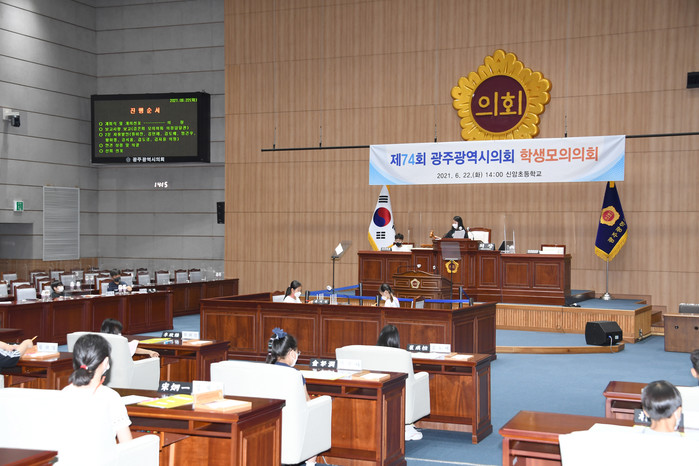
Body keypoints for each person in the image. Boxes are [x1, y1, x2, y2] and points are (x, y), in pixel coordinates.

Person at [62, 333, 133, 443]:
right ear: (106, 362)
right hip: (104, 454)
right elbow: (127, 443)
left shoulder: (63, 393)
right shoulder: (111, 397)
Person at [374, 324, 422, 441]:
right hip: (398, 394)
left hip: (378, 392)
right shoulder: (403, 356)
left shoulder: (372, 354)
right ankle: (407, 427)